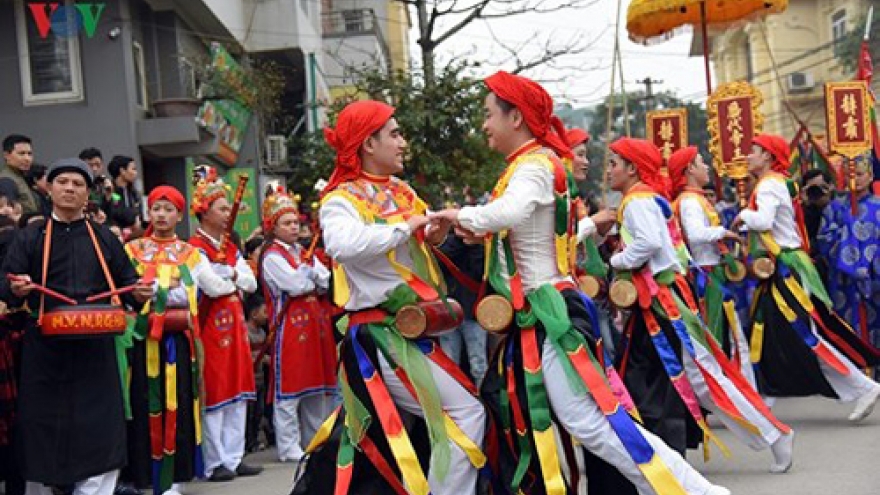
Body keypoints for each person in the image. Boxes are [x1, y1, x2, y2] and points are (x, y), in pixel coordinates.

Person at [431, 72, 730, 495]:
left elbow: (507, 213)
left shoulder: (533, 166)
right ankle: (674, 488)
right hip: (546, 309)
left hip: (550, 310)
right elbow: (547, 233)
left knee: (590, 420)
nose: (484, 125)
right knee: (588, 420)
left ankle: (689, 489)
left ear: (515, 117)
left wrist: (457, 216)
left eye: (487, 115)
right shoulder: (533, 165)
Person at [307, 100, 486, 495]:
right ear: (368, 144)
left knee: (401, 434)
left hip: (411, 327)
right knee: (465, 412)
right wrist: (406, 227)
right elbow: (342, 245)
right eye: (394, 134)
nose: (403, 143)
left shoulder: (402, 191)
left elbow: (417, 242)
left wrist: (433, 235)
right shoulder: (341, 199)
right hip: (379, 335)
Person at [605, 137, 794, 472]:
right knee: (681, 378)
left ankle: (774, 434)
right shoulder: (643, 199)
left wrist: (617, 260)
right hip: (660, 301)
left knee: (703, 377)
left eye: (613, 164)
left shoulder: (637, 202)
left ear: (632, 168)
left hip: (665, 303)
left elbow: (648, 244)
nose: (608, 171)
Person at [0, 158, 153, 495]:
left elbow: (129, 284)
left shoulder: (103, 238)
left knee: (101, 432)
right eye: (63, 182)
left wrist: (140, 293)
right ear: (50, 189)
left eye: (78, 184)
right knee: (46, 433)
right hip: (46, 352)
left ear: (88, 194)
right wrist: (16, 287)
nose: (70, 188)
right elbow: (7, 282)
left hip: (95, 351)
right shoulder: (30, 237)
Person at [732, 134, 880, 421]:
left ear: (767, 157)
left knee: (804, 335)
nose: (747, 155)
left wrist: (743, 216)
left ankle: (863, 386)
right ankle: (761, 400)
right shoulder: (774, 183)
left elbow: (763, 221)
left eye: (753, 150)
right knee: (772, 334)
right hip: (783, 268)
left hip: (786, 270)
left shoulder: (768, 185)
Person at [124, 186, 242, 495]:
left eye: (168, 209)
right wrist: (169, 287)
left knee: (177, 405)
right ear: (148, 212)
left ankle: (174, 476)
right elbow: (126, 290)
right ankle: (143, 474)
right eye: (156, 208)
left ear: (179, 215)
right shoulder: (132, 249)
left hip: (177, 340)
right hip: (143, 339)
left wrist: (230, 275)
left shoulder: (190, 253)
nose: (161, 215)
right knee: (143, 402)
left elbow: (208, 288)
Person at [188, 168, 262, 482]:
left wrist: (229, 273)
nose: (227, 212)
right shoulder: (194, 247)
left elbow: (251, 281)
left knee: (239, 388)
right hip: (210, 329)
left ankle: (234, 456)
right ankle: (214, 460)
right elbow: (210, 286)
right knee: (216, 393)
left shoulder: (228, 248)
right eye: (220, 207)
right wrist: (231, 277)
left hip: (233, 327)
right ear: (205, 213)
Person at [258, 190, 337, 462]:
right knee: (290, 389)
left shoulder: (303, 252)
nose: (294, 227)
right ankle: (288, 445)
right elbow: (295, 286)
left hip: (314, 327)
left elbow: (326, 280)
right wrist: (309, 275)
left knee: (317, 385)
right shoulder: (271, 256)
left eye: (295, 222)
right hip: (289, 329)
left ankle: (315, 438)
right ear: (273, 227)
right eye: (287, 223)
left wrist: (309, 275)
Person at [668, 146, 754, 385]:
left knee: (728, 337)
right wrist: (725, 232)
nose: (707, 166)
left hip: (708, 274)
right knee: (725, 337)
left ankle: (745, 394)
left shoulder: (693, 199)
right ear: (689, 170)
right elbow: (695, 234)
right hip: (706, 275)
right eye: (701, 162)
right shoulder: (690, 202)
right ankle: (741, 394)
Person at [817, 155, 879, 366]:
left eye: (861, 174)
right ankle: (857, 370)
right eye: (852, 175)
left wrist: (869, 265)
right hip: (842, 280)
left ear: (870, 176)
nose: (857, 179)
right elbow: (824, 240)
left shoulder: (878, 207)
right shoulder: (834, 207)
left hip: (874, 279)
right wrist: (848, 244)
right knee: (848, 326)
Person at [0, 135, 39, 216]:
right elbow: (10, 216)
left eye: (29, 154)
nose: (27, 158)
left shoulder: (21, 176)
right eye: (21, 154)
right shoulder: (6, 181)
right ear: (6, 155)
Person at [107, 155, 144, 236]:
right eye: (133, 169)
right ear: (122, 171)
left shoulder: (133, 193)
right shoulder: (110, 191)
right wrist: (134, 216)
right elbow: (115, 213)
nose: (136, 173)